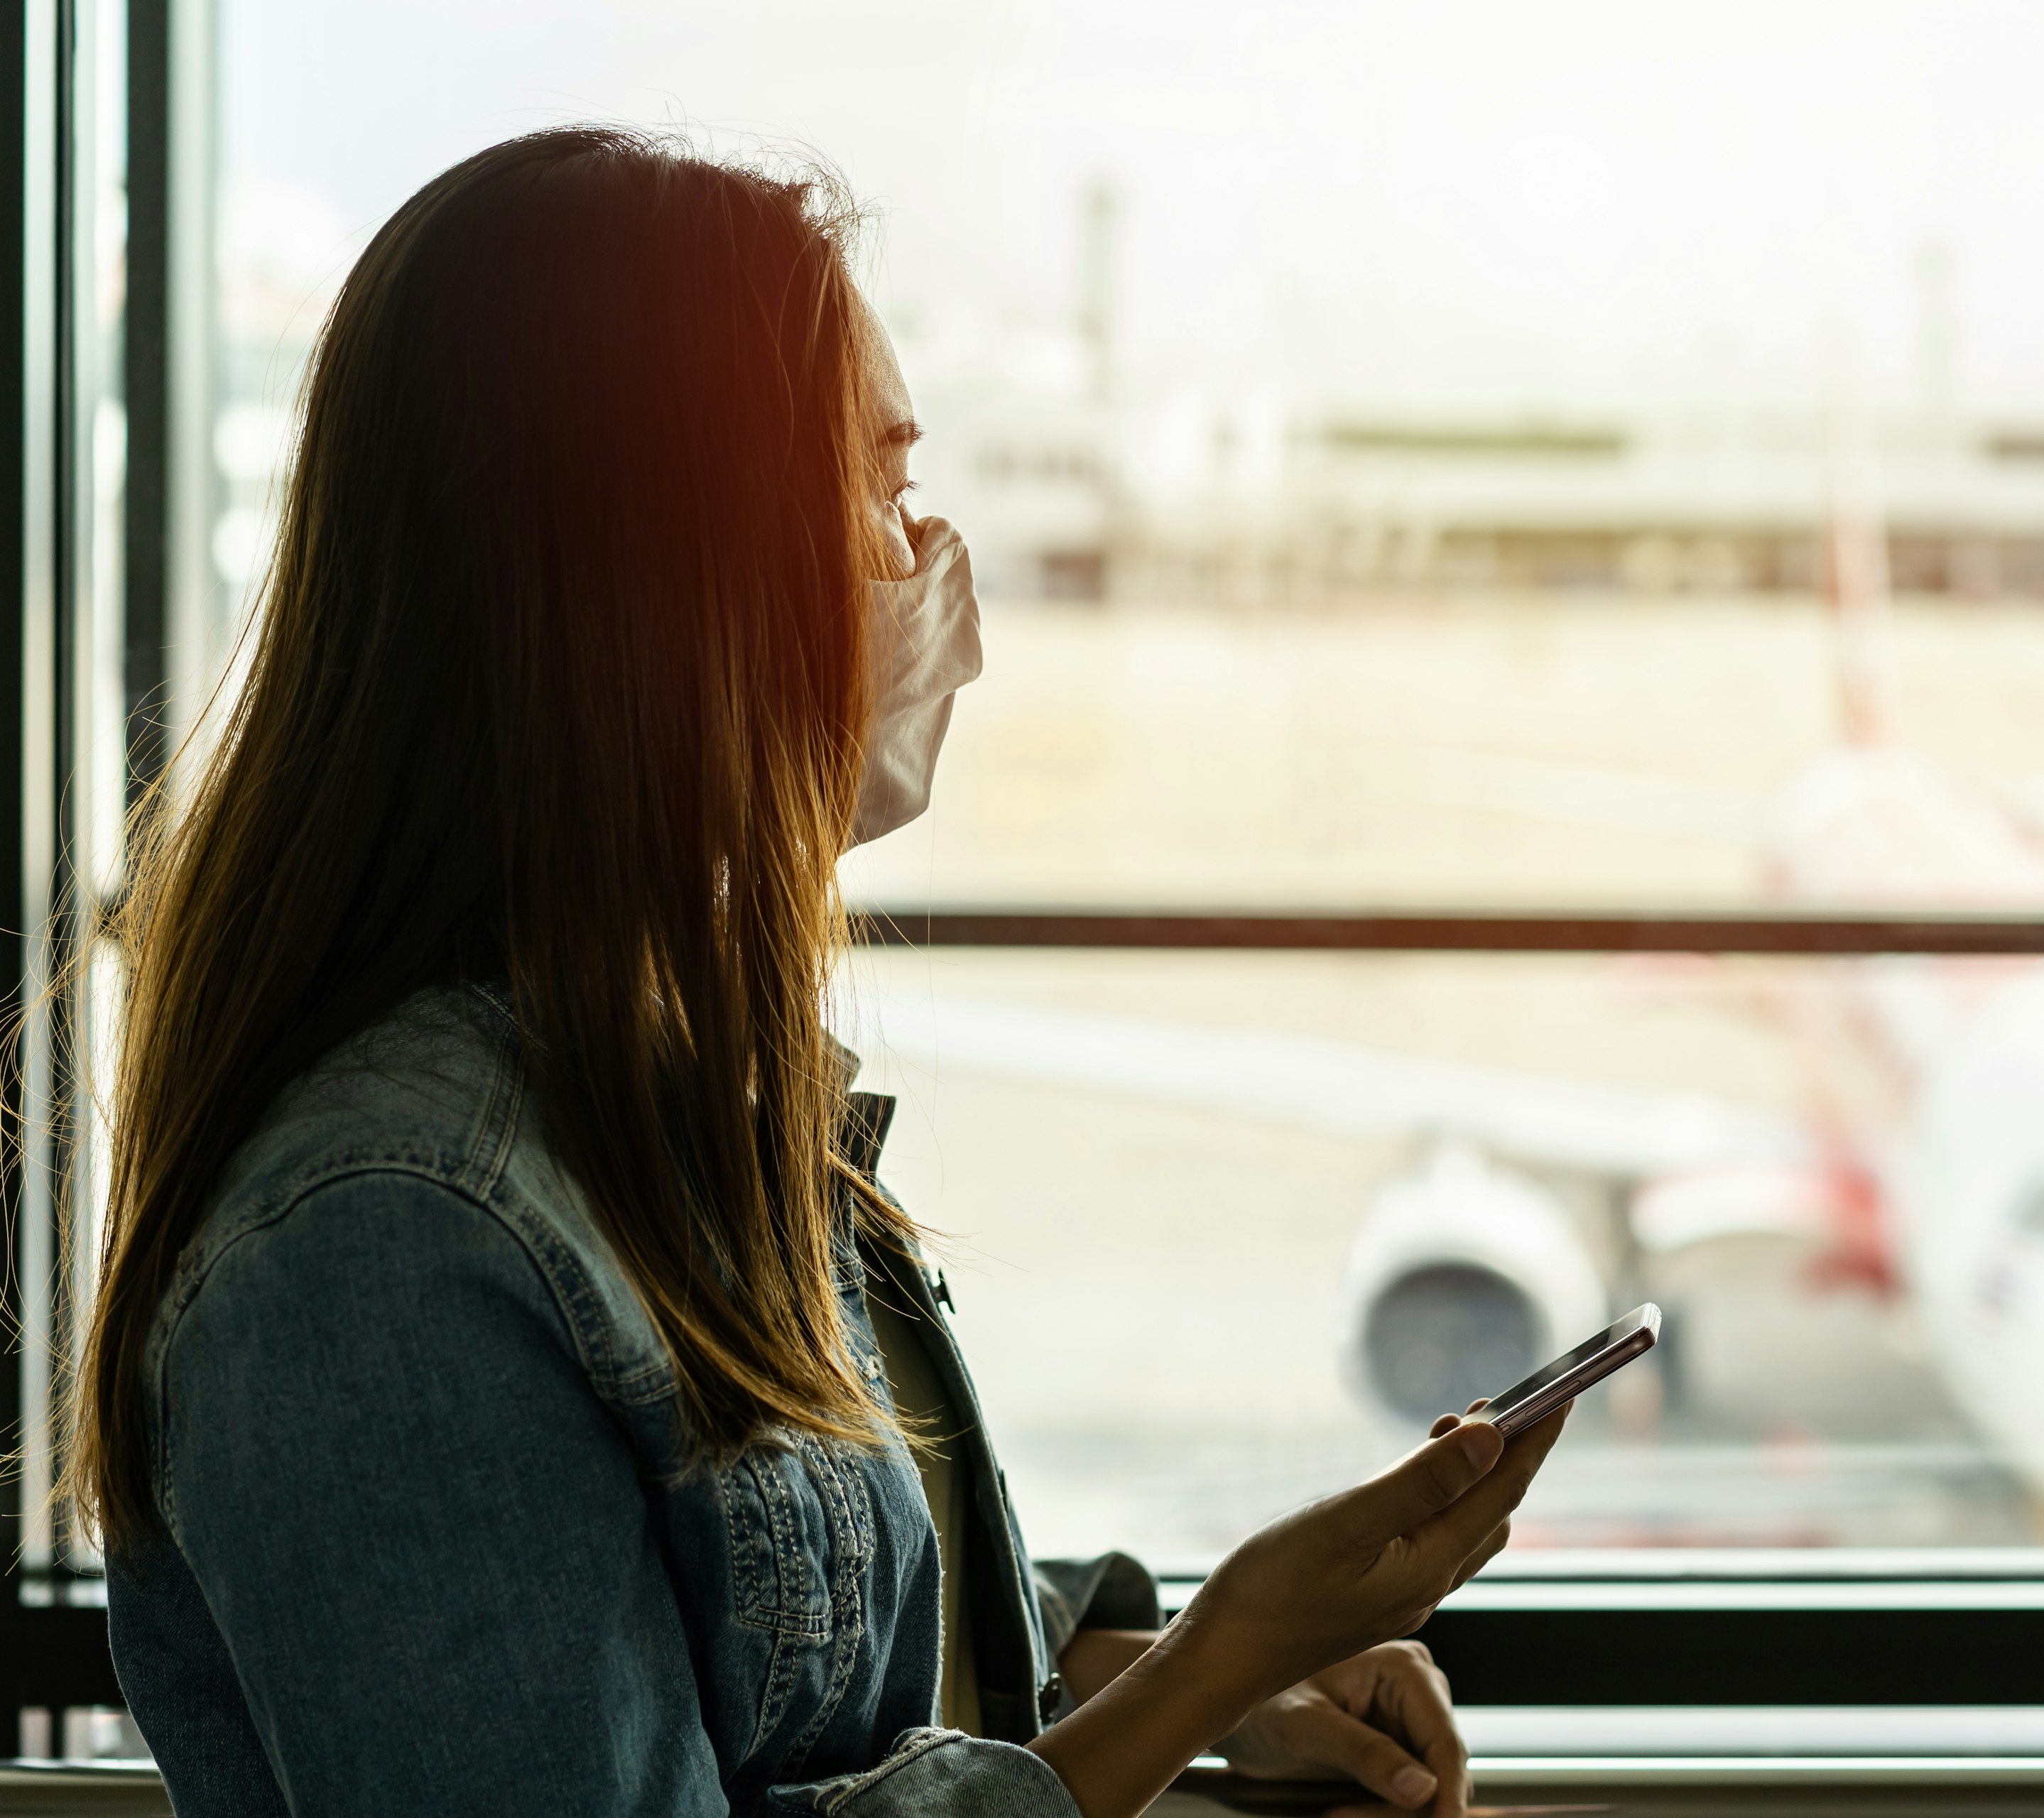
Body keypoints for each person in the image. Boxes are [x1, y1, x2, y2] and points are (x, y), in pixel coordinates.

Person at [72, 126, 1565, 1818]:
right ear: (669, 572)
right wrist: (1215, 1661)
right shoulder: (389, 1235)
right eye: (874, 482)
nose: (934, 568)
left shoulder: (653, 1080)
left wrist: (1174, 1674)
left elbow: (793, 1654)